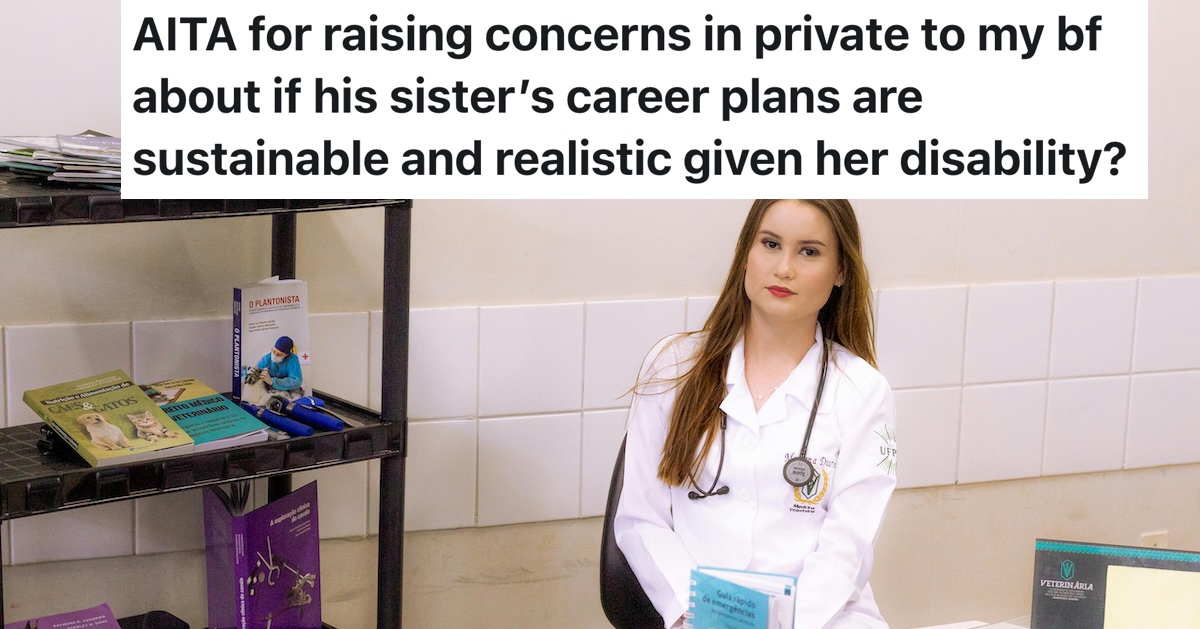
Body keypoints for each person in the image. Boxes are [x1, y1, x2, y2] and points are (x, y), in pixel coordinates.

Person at [614, 199, 897, 629]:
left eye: (809, 251)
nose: (784, 268)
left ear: (841, 271)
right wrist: (692, 615)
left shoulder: (862, 392)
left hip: (823, 620)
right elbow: (642, 519)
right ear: (747, 252)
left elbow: (847, 546)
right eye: (770, 244)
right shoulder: (674, 367)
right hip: (700, 618)